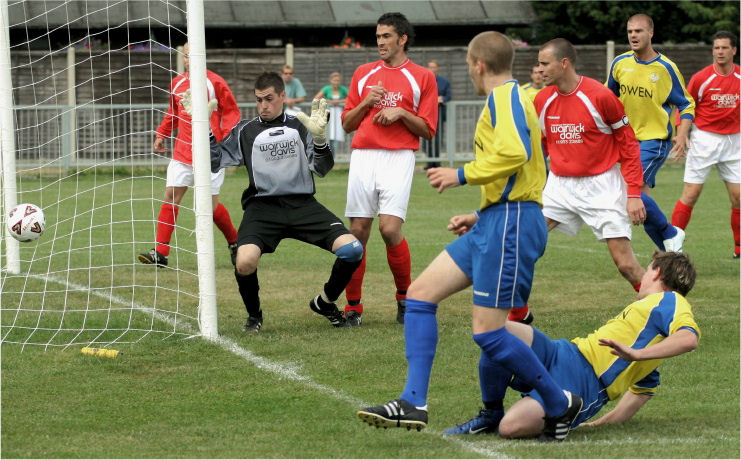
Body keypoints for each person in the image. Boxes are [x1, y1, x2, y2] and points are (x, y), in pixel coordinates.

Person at [356, 31, 583, 443]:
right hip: (498, 218)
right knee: (421, 295)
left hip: (512, 222)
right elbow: (521, 169)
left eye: (468, 65)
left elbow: (516, 154)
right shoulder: (509, 98)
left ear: (477, 65)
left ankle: (558, 402)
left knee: (490, 331)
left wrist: (459, 175)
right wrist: (480, 214)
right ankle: (413, 401)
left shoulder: (505, 98)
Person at [445, 251, 699, 439]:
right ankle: (491, 412)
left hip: (583, 384)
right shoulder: (650, 322)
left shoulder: (671, 300)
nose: (642, 276)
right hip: (563, 352)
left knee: (510, 428)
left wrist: (637, 354)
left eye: (647, 269)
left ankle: (562, 408)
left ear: (656, 271)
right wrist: (602, 423)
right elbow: (643, 388)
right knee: (494, 330)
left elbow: (689, 338)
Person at [208, 72, 363, 331]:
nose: (263, 106)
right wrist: (204, 131)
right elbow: (214, 161)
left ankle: (325, 302)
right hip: (262, 208)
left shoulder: (301, 125)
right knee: (244, 262)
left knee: (352, 250)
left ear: (283, 96)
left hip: (302, 205)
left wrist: (321, 141)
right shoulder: (245, 130)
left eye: (269, 99)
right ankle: (254, 316)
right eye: (259, 100)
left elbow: (322, 169)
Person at [341, 12, 439, 326]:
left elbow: (428, 129)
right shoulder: (363, 73)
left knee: (390, 229)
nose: (380, 42)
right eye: (378, 36)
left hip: (399, 157)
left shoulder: (422, 76)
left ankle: (404, 298)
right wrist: (367, 103)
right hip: (364, 156)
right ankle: (354, 307)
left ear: (402, 39)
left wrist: (400, 112)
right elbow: (346, 124)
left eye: (386, 36)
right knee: (357, 232)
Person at [534, 38, 646, 292]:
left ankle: (665, 305)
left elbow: (628, 145)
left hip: (602, 185)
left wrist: (633, 194)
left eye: (544, 63)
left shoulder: (600, 96)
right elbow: (541, 144)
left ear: (564, 63)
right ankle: (519, 314)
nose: (539, 69)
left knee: (626, 265)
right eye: (538, 64)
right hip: (559, 186)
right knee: (524, 245)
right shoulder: (541, 100)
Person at [139, 42, 240, 267]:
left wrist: (223, 140)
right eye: (185, 56)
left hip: (210, 154)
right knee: (170, 195)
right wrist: (161, 134)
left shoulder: (215, 83)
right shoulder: (177, 84)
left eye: (192, 55)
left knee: (210, 207)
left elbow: (232, 112)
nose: (188, 59)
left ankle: (235, 241)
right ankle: (160, 253)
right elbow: (173, 113)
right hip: (183, 152)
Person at [607, 13, 695, 253]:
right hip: (626, 142)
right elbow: (607, 100)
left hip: (653, 141)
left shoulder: (665, 68)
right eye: (630, 31)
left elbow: (687, 104)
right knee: (640, 204)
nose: (633, 35)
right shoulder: (620, 64)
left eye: (639, 31)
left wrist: (681, 133)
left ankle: (671, 232)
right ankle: (670, 254)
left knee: (630, 192)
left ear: (651, 33)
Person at [671, 31, 740, 258]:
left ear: (733, 51)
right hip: (705, 139)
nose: (719, 51)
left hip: (734, 141)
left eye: (724, 48)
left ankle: (739, 246)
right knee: (691, 193)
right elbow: (683, 106)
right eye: (716, 48)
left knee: (738, 197)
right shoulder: (701, 78)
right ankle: (672, 248)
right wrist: (681, 134)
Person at [422, 59, 451, 169]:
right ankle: (429, 163)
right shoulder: (423, 80)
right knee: (426, 137)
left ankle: (437, 162)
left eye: (434, 67)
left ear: (437, 68)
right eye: (430, 67)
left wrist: (442, 98)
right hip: (425, 114)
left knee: (438, 138)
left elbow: (449, 96)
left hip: (439, 114)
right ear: (427, 68)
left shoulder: (444, 82)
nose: (432, 69)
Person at [314, 71, 349, 154]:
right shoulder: (327, 88)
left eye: (337, 81)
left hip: (338, 113)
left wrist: (339, 101)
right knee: (329, 133)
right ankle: (328, 154)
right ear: (331, 80)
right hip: (329, 112)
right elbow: (317, 98)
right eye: (334, 80)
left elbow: (350, 97)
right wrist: (330, 101)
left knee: (336, 133)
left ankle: (335, 155)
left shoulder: (343, 89)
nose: (336, 82)